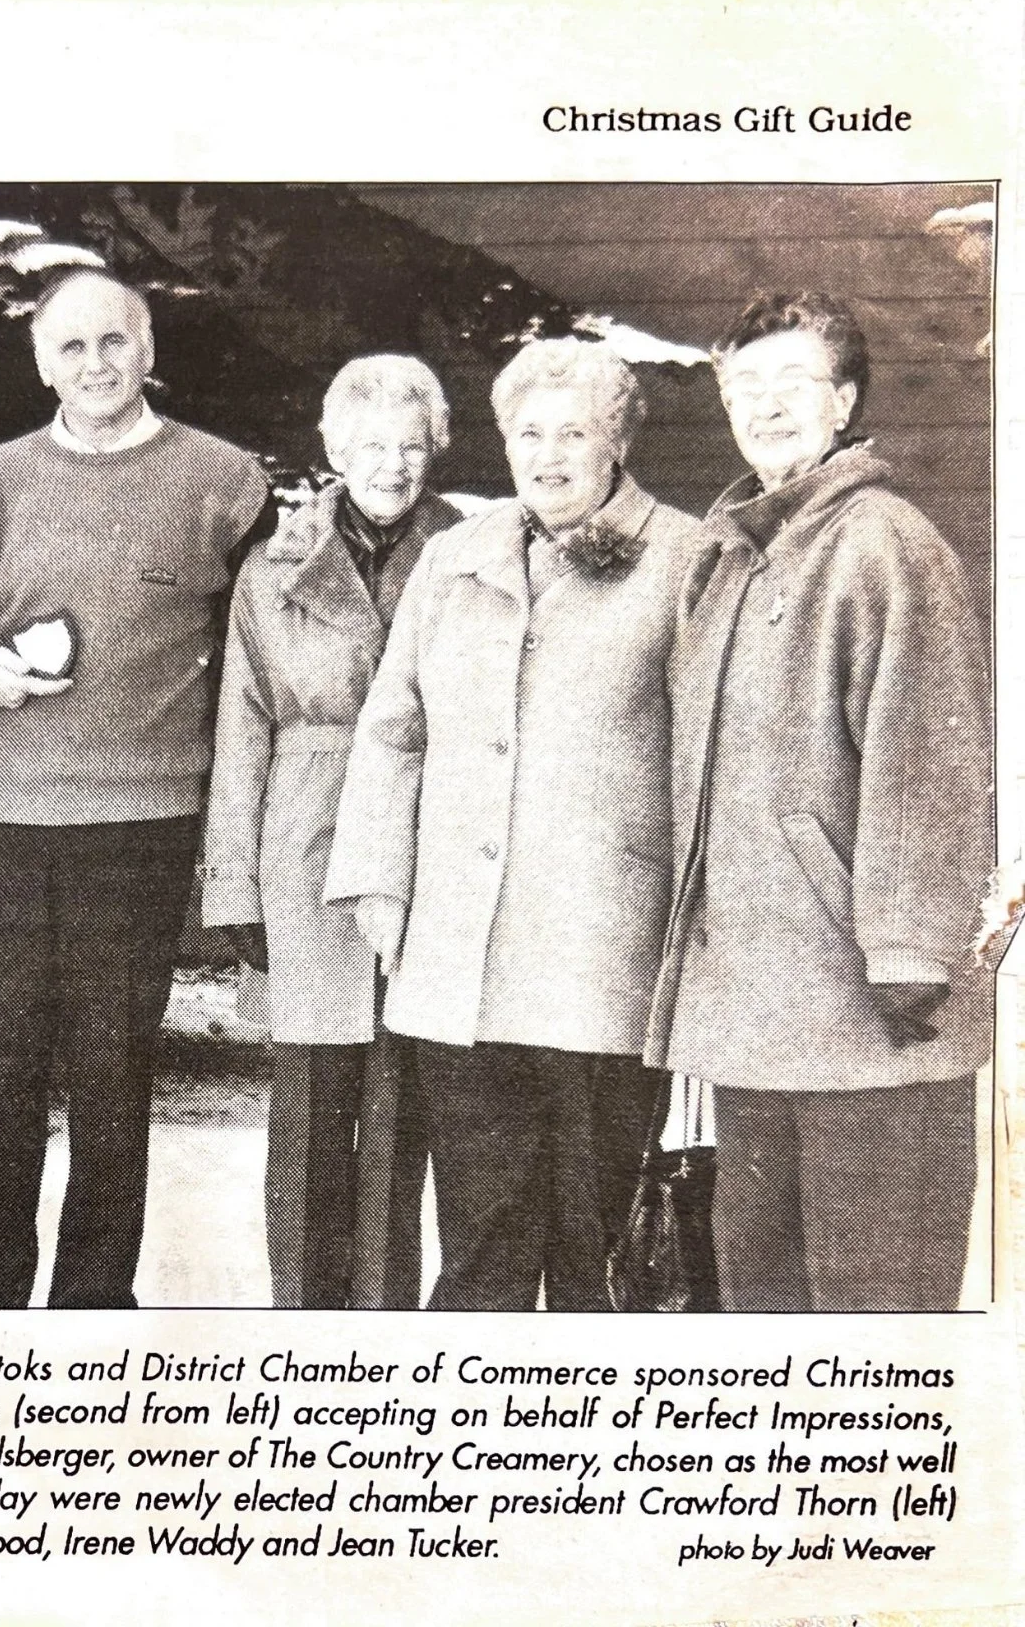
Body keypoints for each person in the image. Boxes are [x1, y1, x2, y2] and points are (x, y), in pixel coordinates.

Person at [0, 267, 271, 1309]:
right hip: (5, 818)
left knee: (114, 1070)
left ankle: (96, 1300)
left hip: (143, 823)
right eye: (72, 347)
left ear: (149, 350)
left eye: (115, 342)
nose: (96, 365)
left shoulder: (224, 482)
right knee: (0, 1056)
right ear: (40, 362)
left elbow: (268, 642)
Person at [324, 336, 699, 1311]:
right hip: (463, 961)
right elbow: (393, 731)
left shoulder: (687, 561)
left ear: (616, 442)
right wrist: (378, 879)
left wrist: (704, 933)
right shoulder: (455, 559)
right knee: (481, 1246)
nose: (548, 453)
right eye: (528, 432)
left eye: (574, 431)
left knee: (593, 1246)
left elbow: (710, 756)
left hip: (606, 961)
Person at [645, 291, 991, 1312]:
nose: (766, 404)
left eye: (792, 382)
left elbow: (930, 757)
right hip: (759, 1019)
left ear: (844, 402)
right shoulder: (734, 555)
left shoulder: (886, 543)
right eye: (743, 385)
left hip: (875, 1022)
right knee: (771, 1321)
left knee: (877, 1322)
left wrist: (913, 957)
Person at [203, 355, 463, 1308]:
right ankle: (304, 1317)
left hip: (426, 840)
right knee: (310, 1106)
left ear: (434, 449)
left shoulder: (471, 551)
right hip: (304, 838)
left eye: (410, 445)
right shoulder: (272, 569)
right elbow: (240, 728)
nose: (390, 466)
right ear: (333, 451)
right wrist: (234, 886)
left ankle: (382, 1321)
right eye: (369, 446)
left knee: (402, 1112)